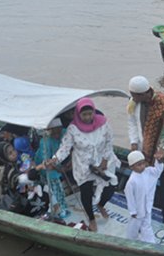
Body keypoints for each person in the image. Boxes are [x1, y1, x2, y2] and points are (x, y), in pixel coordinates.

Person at [48, 98, 118, 232]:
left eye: (90, 113)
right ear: (78, 114)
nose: (87, 117)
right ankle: (91, 219)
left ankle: (101, 204)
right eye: (84, 114)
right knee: (85, 192)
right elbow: (65, 148)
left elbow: (109, 141)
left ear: (94, 111)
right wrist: (54, 160)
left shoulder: (103, 123)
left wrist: (105, 159)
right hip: (83, 164)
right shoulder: (73, 129)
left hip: (102, 161)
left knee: (111, 186)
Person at [126, 75, 164, 234]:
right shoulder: (133, 103)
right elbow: (132, 123)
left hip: (161, 154)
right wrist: (134, 142)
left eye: (135, 95)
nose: (132, 98)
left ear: (145, 93)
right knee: (141, 186)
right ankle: (140, 218)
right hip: (143, 153)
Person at [0, 141, 44, 216]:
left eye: (13, 150)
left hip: (19, 192)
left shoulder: (12, 163)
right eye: (10, 153)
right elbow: (20, 180)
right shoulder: (6, 170)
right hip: (14, 200)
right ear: (4, 157)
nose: (14, 153)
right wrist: (37, 168)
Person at [124, 150, 164, 243]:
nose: (142, 166)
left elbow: (158, 171)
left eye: (143, 163)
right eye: (139, 165)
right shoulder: (132, 181)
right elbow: (129, 196)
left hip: (147, 206)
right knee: (134, 225)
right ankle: (130, 239)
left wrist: (159, 162)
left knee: (147, 224)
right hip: (138, 209)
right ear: (131, 167)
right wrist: (132, 210)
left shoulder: (149, 171)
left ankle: (150, 242)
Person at [33, 118, 69, 219]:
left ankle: (62, 206)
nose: (57, 135)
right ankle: (59, 208)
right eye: (54, 132)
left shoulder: (64, 133)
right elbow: (47, 162)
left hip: (57, 163)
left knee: (58, 189)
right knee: (54, 188)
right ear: (49, 131)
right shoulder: (46, 141)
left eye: (58, 131)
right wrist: (59, 169)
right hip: (48, 168)